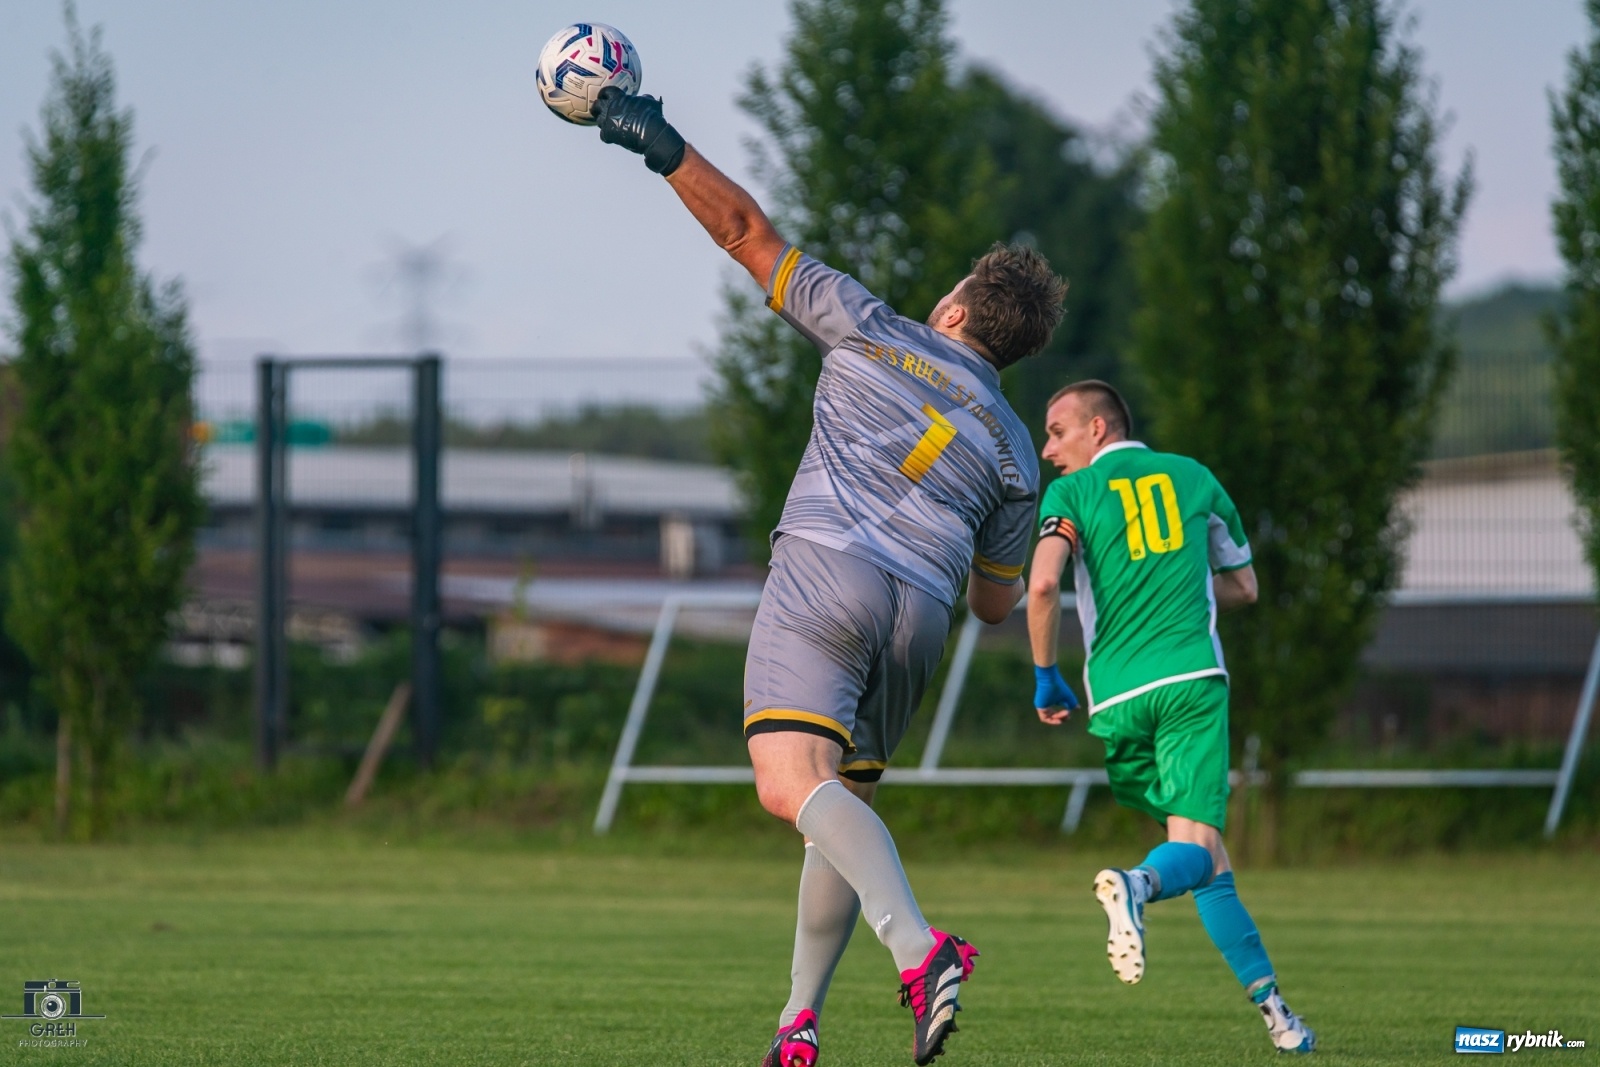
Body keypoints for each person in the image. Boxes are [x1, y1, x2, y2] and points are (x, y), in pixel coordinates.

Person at [589, 89, 1065, 1066]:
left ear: (954, 310)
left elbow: (744, 231)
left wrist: (659, 143)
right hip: (918, 617)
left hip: (826, 575)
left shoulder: (871, 327)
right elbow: (993, 603)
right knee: (839, 811)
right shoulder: (1018, 448)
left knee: (787, 782)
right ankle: (797, 1024)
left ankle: (921, 948)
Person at [1026, 380, 1317, 1054]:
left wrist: (1045, 676)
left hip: (1116, 700)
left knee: (1210, 861)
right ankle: (1137, 884)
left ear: (1098, 429)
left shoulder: (1071, 495)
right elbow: (1244, 585)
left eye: (1057, 432)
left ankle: (1278, 1014)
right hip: (1189, 683)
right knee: (1194, 849)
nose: (1048, 450)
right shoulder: (1194, 477)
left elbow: (1041, 583)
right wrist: (1183, 587)